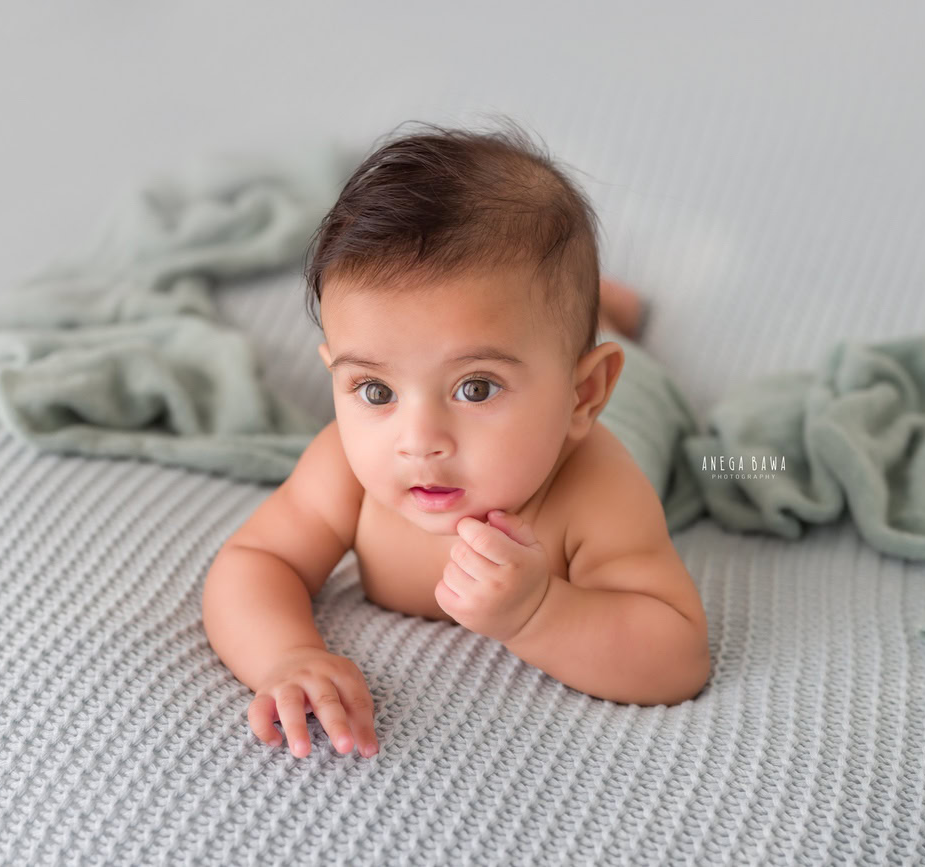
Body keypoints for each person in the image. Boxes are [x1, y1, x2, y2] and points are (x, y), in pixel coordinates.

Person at [202, 119, 708, 760]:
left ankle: (606, 315)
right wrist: (288, 656)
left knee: (611, 348)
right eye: (376, 391)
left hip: (638, 410)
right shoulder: (345, 467)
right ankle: (586, 312)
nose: (419, 442)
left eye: (475, 388)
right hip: (553, 363)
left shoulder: (596, 491)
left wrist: (540, 611)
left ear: (583, 395)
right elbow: (255, 561)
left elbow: (678, 655)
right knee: (545, 325)